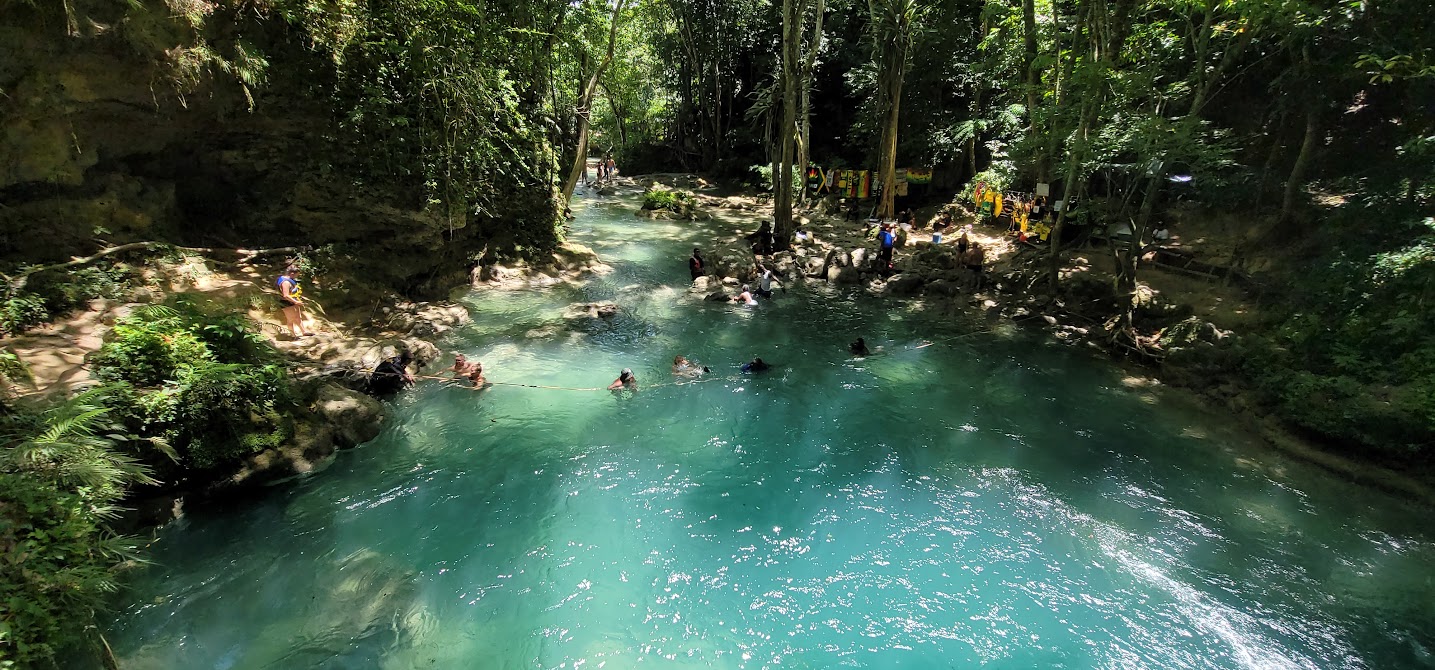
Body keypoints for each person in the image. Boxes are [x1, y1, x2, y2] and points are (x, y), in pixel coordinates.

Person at [276, 264, 314, 338]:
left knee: (298, 317)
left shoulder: (289, 280)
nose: (297, 277)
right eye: (296, 275)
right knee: (291, 319)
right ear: (292, 273)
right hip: (286, 302)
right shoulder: (285, 282)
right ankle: (293, 335)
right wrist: (295, 302)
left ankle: (304, 332)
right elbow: (286, 295)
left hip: (293, 300)